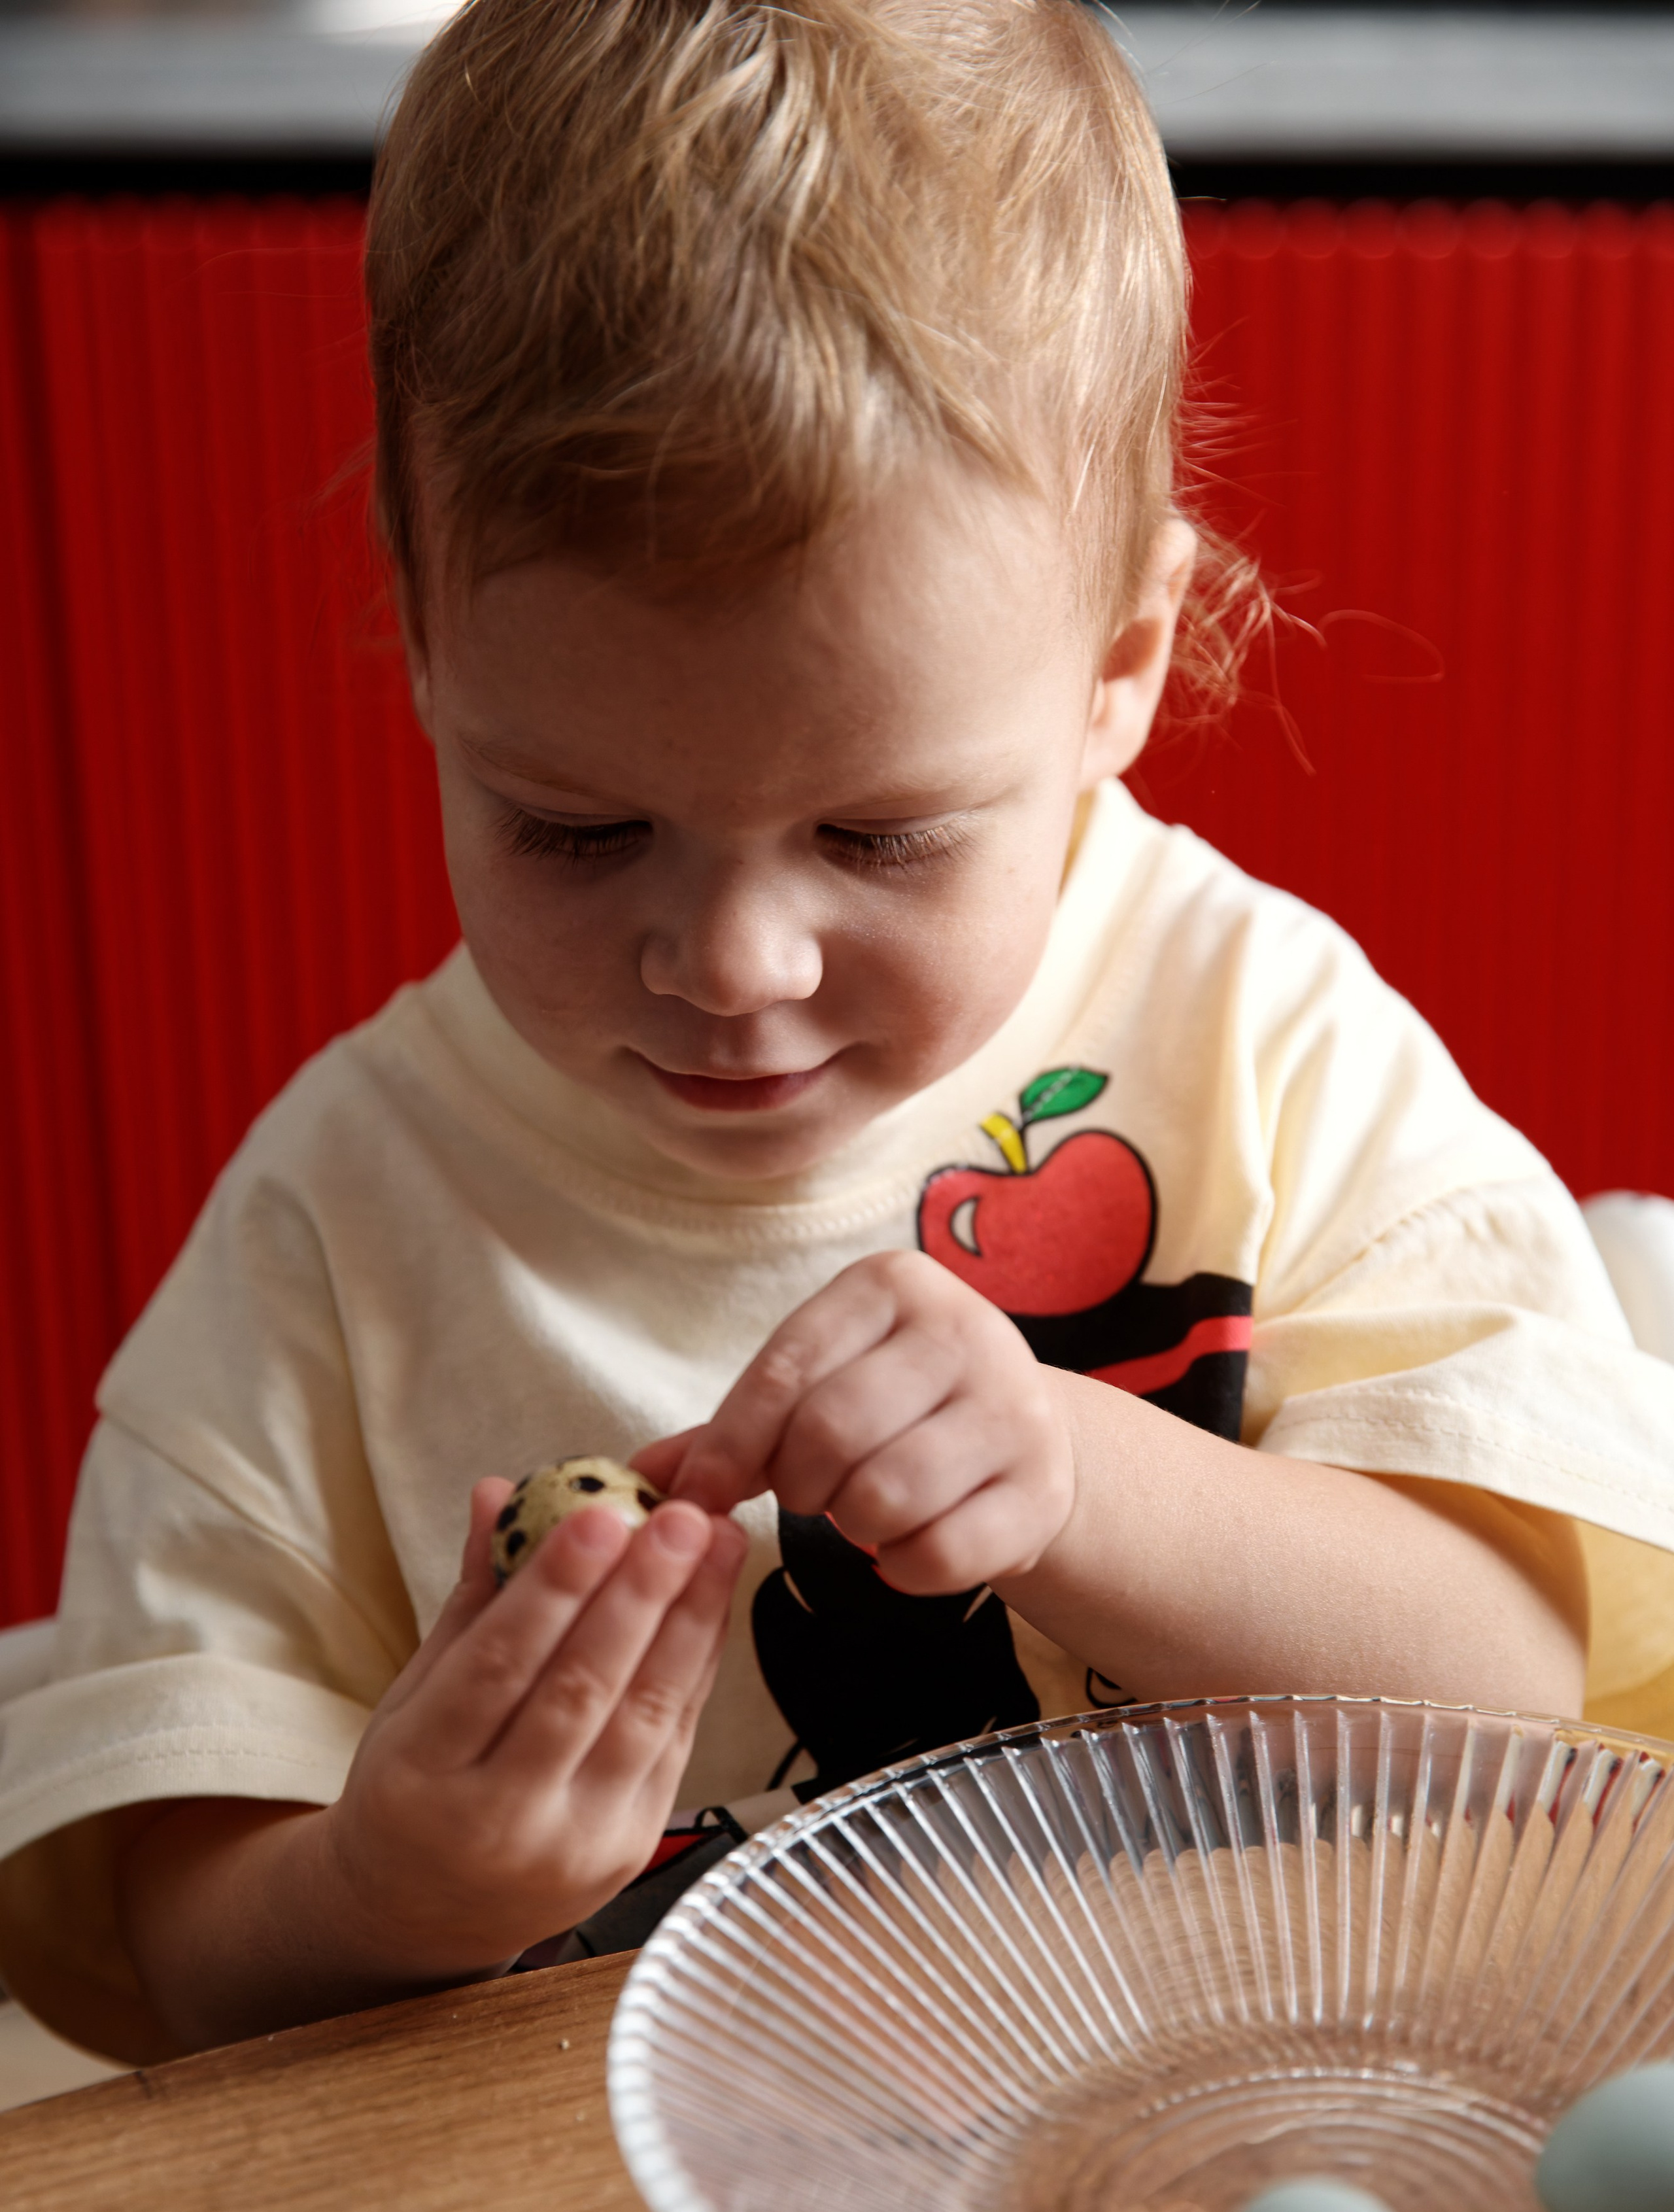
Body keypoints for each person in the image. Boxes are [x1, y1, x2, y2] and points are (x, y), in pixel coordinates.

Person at [2, 0, 1670, 2064]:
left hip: (1210, 2136)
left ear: (1119, 667)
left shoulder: (1261, 1041)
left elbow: (1517, 1686)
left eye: (877, 833)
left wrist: (1077, 1473)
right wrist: (383, 1885)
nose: (732, 961)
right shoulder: (346, 1230)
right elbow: (171, 1951)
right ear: (428, 651)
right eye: (578, 826)